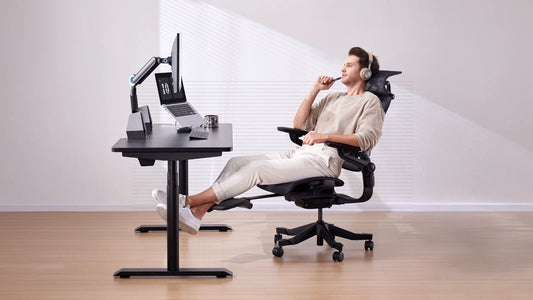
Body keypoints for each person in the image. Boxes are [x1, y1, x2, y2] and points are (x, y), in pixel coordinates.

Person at [153, 47, 384, 234]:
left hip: (325, 161)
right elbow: (299, 125)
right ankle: (196, 213)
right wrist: (315, 90)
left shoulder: (370, 102)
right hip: (303, 153)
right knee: (236, 162)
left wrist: (324, 135)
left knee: (257, 169)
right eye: (343, 64)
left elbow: (367, 139)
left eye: (349, 65)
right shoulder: (333, 97)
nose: (342, 68)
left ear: (365, 73)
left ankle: (187, 202)